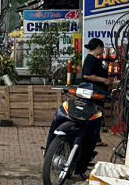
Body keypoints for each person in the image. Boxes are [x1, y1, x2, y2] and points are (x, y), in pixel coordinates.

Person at [45, 37, 111, 175]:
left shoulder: (97, 60)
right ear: (98, 47)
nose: (103, 50)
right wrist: (103, 80)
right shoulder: (90, 59)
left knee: (95, 118)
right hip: (92, 93)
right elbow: (87, 75)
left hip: (98, 93)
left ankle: (94, 140)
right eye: (102, 47)